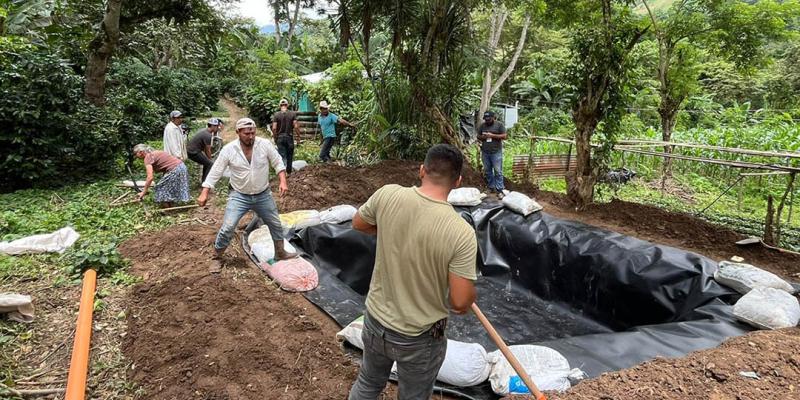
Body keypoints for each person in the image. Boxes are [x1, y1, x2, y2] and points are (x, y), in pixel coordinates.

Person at [347, 144, 478, 400]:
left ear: (421, 170)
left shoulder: (387, 195)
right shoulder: (460, 232)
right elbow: (460, 303)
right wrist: (470, 292)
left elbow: (358, 223)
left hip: (375, 321)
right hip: (418, 338)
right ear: (458, 181)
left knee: (368, 382)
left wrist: (388, 230)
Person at [197, 117, 297, 274]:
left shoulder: (264, 145)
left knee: (276, 224)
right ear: (238, 132)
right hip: (239, 195)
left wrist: (283, 181)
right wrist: (205, 191)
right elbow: (216, 171)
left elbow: (278, 162)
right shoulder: (229, 150)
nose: (250, 137)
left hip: (263, 194)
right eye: (246, 133)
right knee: (228, 227)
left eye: (253, 133)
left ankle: (280, 252)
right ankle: (216, 257)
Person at [132, 144, 191, 208]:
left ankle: (168, 211)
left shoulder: (148, 157)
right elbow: (167, 165)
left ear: (141, 152)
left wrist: (143, 192)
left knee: (159, 189)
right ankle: (171, 206)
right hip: (181, 167)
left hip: (175, 170)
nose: (136, 156)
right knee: (167, 188)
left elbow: (150, 177)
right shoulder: (155, 153)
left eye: (136, 154)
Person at [477, 111, 508, 197]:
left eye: (489, 119)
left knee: (498, 171)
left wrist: (492, 135)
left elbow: (505, 136)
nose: (487, 121)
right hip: (485, 152)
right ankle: (491, 187)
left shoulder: (499, 125)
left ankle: (500, 190)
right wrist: (483, 137)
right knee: (487, 171)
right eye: (486, 119)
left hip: (496, 152)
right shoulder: (482, 126)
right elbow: (478, 136)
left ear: (493, 117)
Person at [187, 118, 221, 183]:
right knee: (210, 164)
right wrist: (210, 160)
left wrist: (208, 159)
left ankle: (204, 181)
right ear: (212, 126)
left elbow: (206, 150)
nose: (217, 128)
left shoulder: (204, 130)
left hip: (191, 150)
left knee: (207, 163)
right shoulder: (208, 135)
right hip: (193, 152)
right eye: (216, 126)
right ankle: (205, 183)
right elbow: (208, 150)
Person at [271, 98, 299, 174]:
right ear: (287, 105)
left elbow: (274, 128)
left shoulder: (276, 115)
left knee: (282, 156)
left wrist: (275, 137)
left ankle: (284, 174)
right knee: (290, 156)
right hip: (289, 137)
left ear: (280, 106)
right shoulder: (292, 114)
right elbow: (296, 126)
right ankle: (289, 173)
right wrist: (298, 136)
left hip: (280, 138)